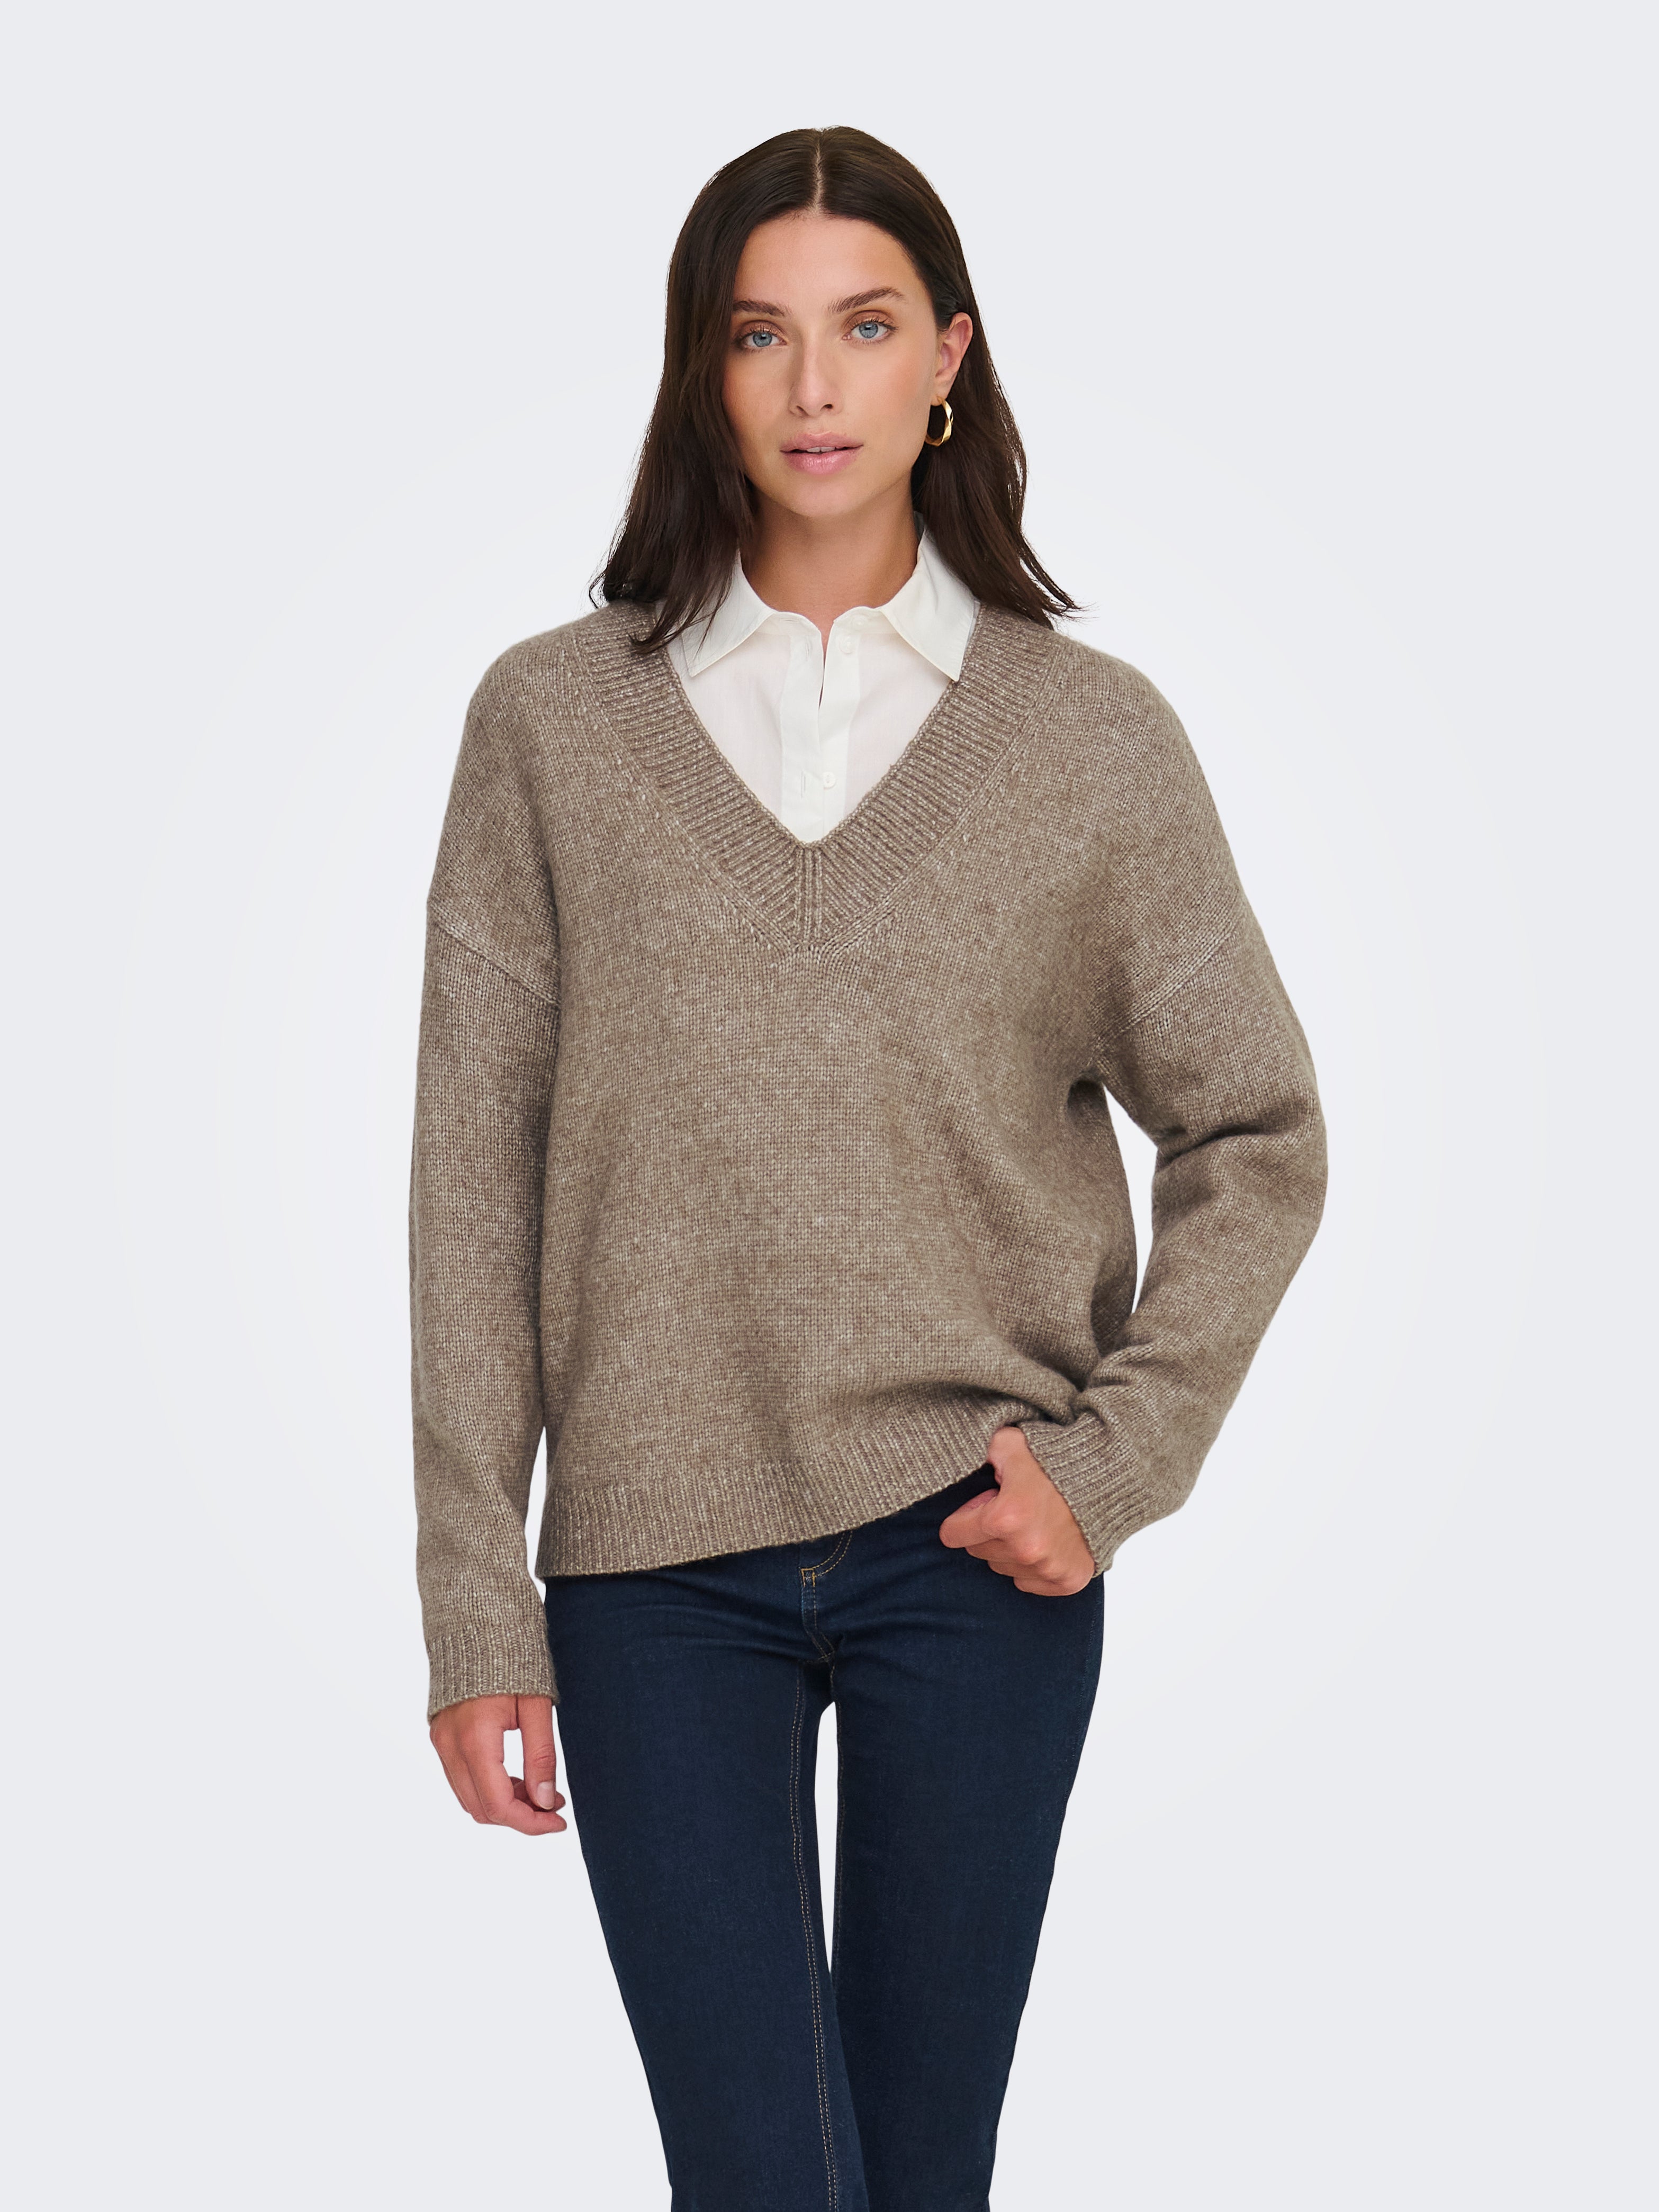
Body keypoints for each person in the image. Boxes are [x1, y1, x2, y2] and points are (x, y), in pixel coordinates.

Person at [410, 124, 1327, 2212]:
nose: (813, 387)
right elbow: (471, 1179)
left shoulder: (1090, 744)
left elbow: (1259, 1129)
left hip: (975, 1555)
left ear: (949, 362)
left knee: (919, 2181)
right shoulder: (551, 725)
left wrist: (1112, 1464)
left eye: (866, 327)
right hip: (652, 1575)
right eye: (759, 334)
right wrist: (476, 1598)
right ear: (700, 368)